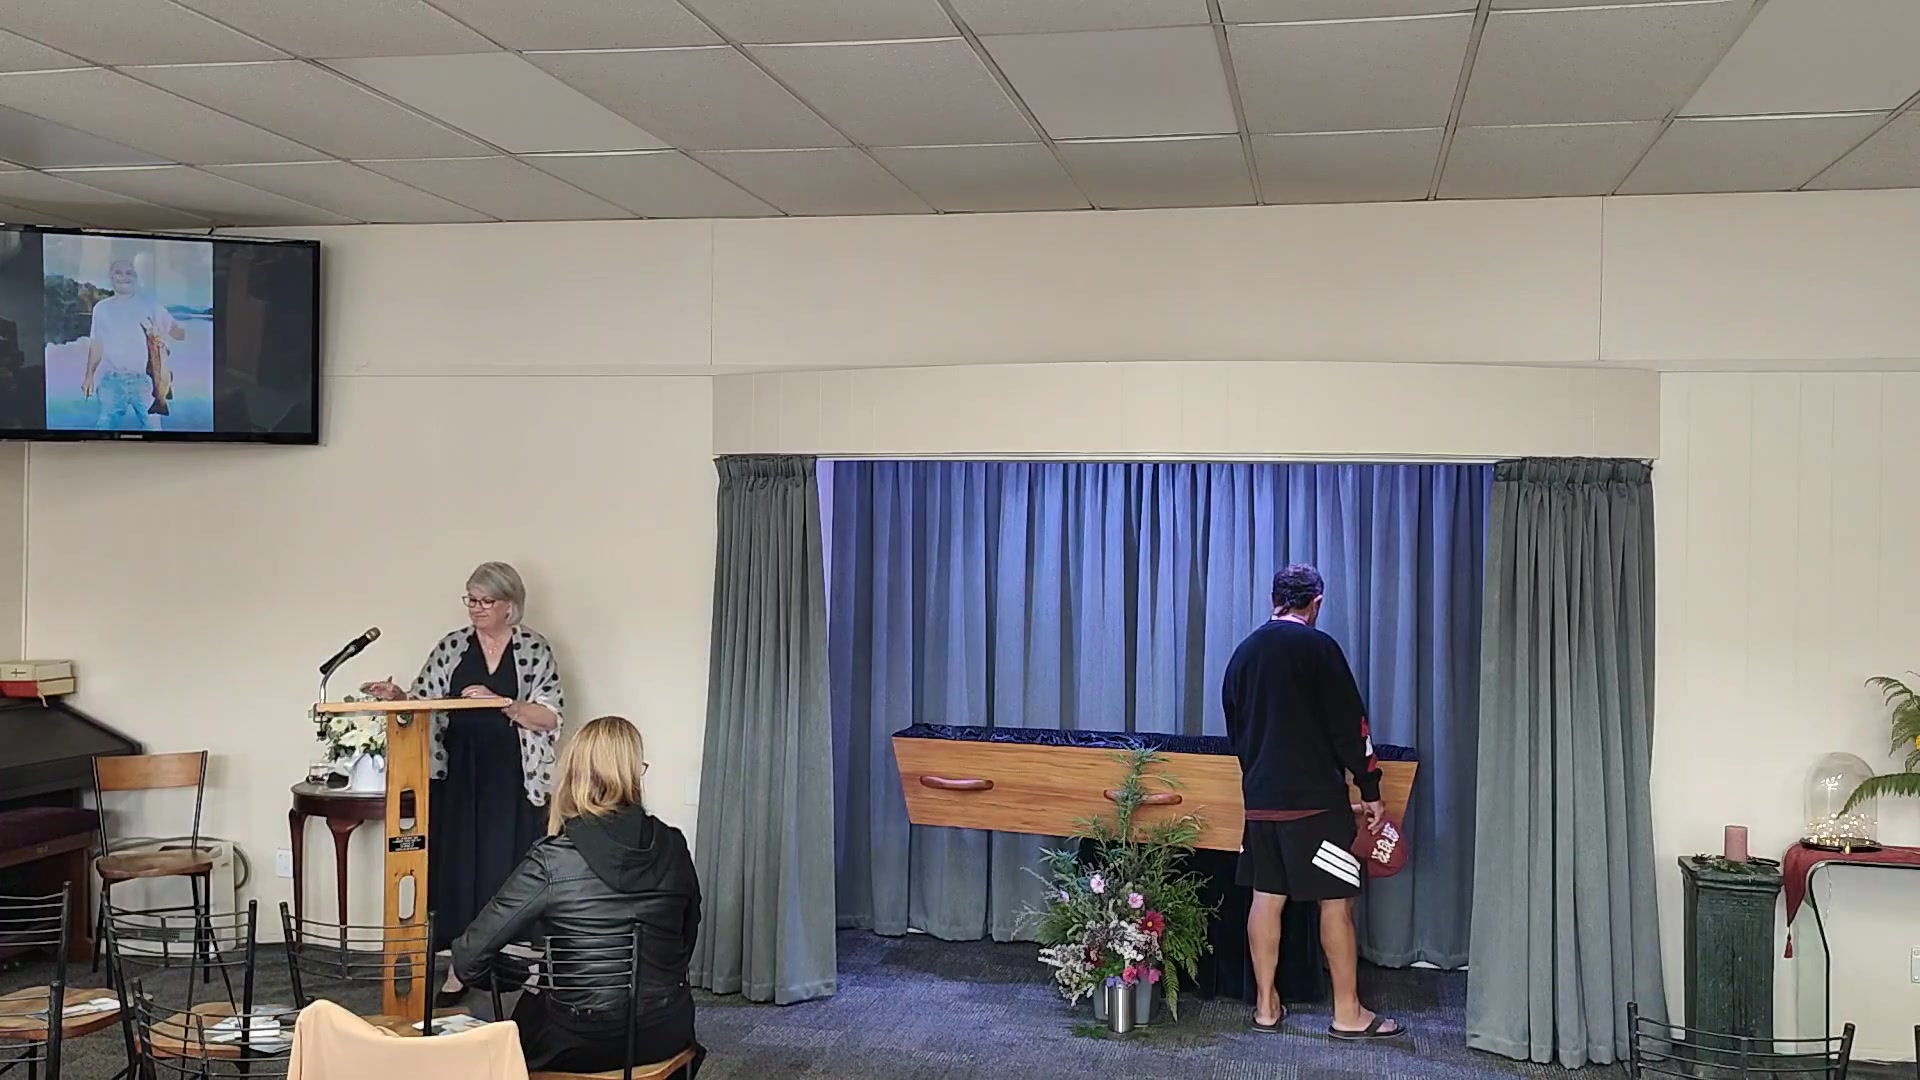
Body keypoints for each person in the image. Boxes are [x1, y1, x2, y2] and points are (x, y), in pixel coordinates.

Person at [452, 715, 704, 1077]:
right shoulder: (674, 844)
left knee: (521, 1022)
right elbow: (686, 937)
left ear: (573, 776)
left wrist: (524, 974)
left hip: (578, 1042)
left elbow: (468, 957)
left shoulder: (552, 859)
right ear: (633, 774)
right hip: (666, 1031)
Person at [361, 561, 565, 1004]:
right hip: (458, 773)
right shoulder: (453, 646)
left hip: (512, 777)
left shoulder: (533, 648)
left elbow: (550, 717)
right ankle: (459, 968)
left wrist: (502, 702)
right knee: (460, 871)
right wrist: (398, 698)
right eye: (471, 599)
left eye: (485, 600)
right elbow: (422, 704)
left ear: (510, 604)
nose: (476, 608)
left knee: (507, 871)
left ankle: (513, 964)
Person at [1222, 563, 1405, 1041]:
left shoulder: (1242, 655)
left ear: (1273, 599)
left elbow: (1237, 733)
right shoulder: (1320, 648)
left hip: (1260, 804)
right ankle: (1347, 1013)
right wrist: (1369, 790)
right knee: (1336, 904)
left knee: (1265, 898)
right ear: (1316, 603)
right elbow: (1351, 727)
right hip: (1317, 807)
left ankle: (1265, 1006)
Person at [80, 254, 185, 432]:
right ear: (111, 277)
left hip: (146, 382)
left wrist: (163, 332)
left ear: (136, 278)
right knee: (103, 432)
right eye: (118, 272)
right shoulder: (101, 308)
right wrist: (89, 375)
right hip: (111, 382)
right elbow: (97, 345)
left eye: (129, 273)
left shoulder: (151, 305)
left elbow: (180, 334)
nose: (123, 277)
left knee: (154, 431)